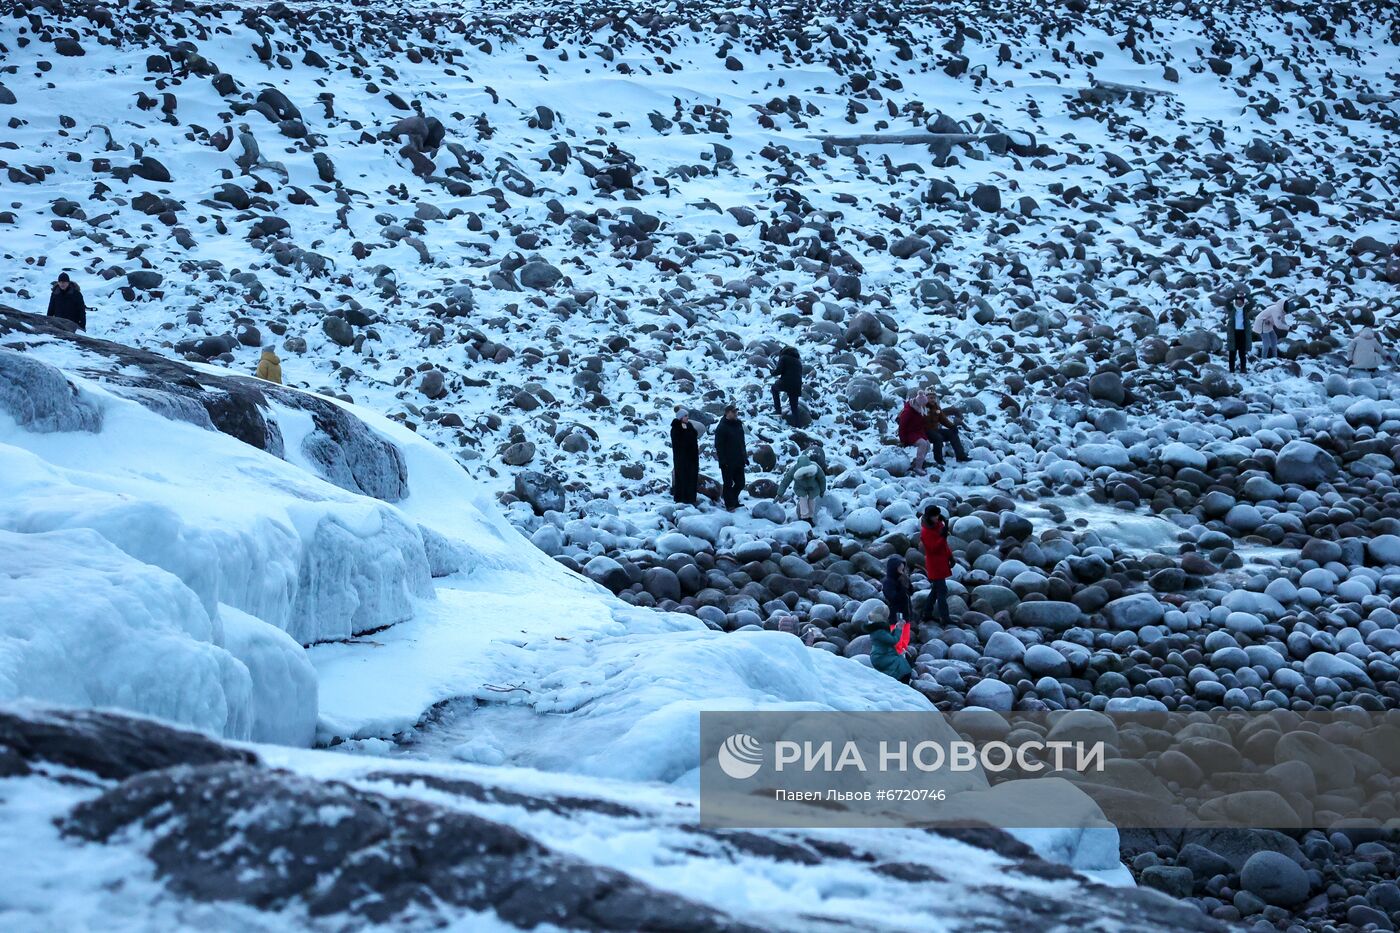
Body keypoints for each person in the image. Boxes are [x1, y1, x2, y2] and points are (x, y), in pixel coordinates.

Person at [869, 556, 914, 683]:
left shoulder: (902, 578)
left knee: (905, 641)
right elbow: (893, 597)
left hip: (906, 615)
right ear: (894, 567)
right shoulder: (888, 582)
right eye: (900, 565)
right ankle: (897, 667)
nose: (902, 568)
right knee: (896, 643)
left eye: (903, 565)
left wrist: (907, 582)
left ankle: (902, 662)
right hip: (896, 617)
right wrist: (902, 587)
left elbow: (911, 591)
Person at [919, 506, 953, 626]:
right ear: (929, 517)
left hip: (942, 560)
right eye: (934, 516)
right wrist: (943, 537)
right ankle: (945, 618)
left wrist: (950, 556)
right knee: (942, 590)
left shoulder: (939, 524)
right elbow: (933, 549)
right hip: (934, 563)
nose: (937, 518)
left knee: (935, 590)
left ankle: (927, 614)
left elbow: (944, 545)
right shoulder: (925, 531)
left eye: (938, 515)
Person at [776, 448, 826, 521]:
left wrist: (822, 490)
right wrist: (779, 494)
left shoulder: (816, 467)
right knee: (803, 501)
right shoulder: (794, 469)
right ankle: (804, 518)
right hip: (800, 488)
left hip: (813, 487)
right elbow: (785, 482)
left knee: (812, 501)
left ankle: (810, 517)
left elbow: (822, 479)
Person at [714, 404, 747, 511]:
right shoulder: (722, 427)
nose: (735, 414)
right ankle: (730, 504)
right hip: (728, 461)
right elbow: (719, 446)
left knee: (741, 483)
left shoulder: (738, 424)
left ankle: (733, 500)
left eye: (736, 412)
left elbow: (742, 442)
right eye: (733, 412)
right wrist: (723, 461)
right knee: (728, 484)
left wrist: (744, 457)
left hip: (739, 459)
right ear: (727, 413)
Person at [925, 395, 969, 466]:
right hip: (924, 431)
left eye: (934, 398)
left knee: (952, 433)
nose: (932, 400)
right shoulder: (922, 408)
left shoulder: (937, 409)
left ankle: (961, 456)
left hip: (935, 430)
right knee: (938, 438)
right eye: (930, 398)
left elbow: (943, 420)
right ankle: (938, 459)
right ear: (926, 398)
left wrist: (952, 426)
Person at [897, 390, 933, 475]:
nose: (925, 405)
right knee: (923, 444)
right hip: (908, 434)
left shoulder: (921, 409)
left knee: (927, 444)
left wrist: (924, 435)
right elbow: (902, 426)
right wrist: (903, 440)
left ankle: (919, 462)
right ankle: (918, 467)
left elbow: (921, 426)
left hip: (918, 432)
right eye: (924, 404)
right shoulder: (908, 411)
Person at [669, 408, 699, 505]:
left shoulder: (689, 426)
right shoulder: (676, 428)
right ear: (680, 417)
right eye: (685, 416)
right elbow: (680, 442)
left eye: (687, 415)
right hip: (682, 458)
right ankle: (681, 499)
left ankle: (691, 498)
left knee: (692, 478)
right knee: (682, 478)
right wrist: (685, 432)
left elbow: (694, 435)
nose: (687, 417)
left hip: (692, 458)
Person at [771, 346, 802, 424]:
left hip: (786, 382)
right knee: (794, 406)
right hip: (797, 385)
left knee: (774, 388)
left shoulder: (784, 357)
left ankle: (778, 410)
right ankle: (797, 425)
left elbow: (779, 371)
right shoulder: (798, 361)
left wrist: (772, 372)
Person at [1224, 290, 1252, 374]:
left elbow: (1253, 302)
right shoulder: (1232, 308)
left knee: (1242, 353)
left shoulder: (1245, 309)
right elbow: (1226, 301)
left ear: (1243, 302)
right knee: (1232, 352)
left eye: (1240, 302)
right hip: (1233, 333)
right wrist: (1235, 295)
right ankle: (1231, 369)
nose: (1238, 303)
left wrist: (1245, 295)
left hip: (1242, 333)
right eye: (1237, 301)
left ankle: (1243, 369)